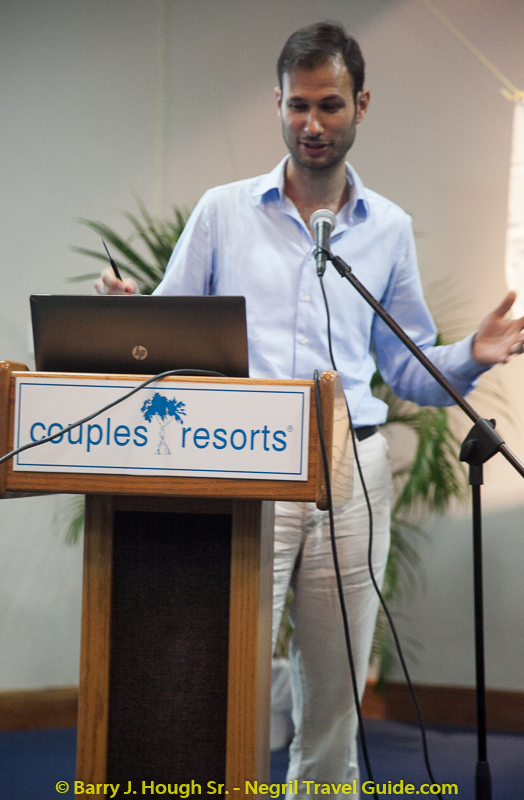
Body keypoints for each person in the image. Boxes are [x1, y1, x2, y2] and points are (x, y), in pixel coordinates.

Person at [95, 21, 524, 797]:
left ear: (361, 104)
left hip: (350, 466)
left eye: (329, 105)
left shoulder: (386, 228)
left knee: (334, 687)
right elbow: (165, 338)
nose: (312, 123)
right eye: (298, 105)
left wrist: (470, 354)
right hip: (242, 461)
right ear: (278, 104)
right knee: (221, 672)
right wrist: (133, 318)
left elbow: (407, 372)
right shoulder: (223, 212)